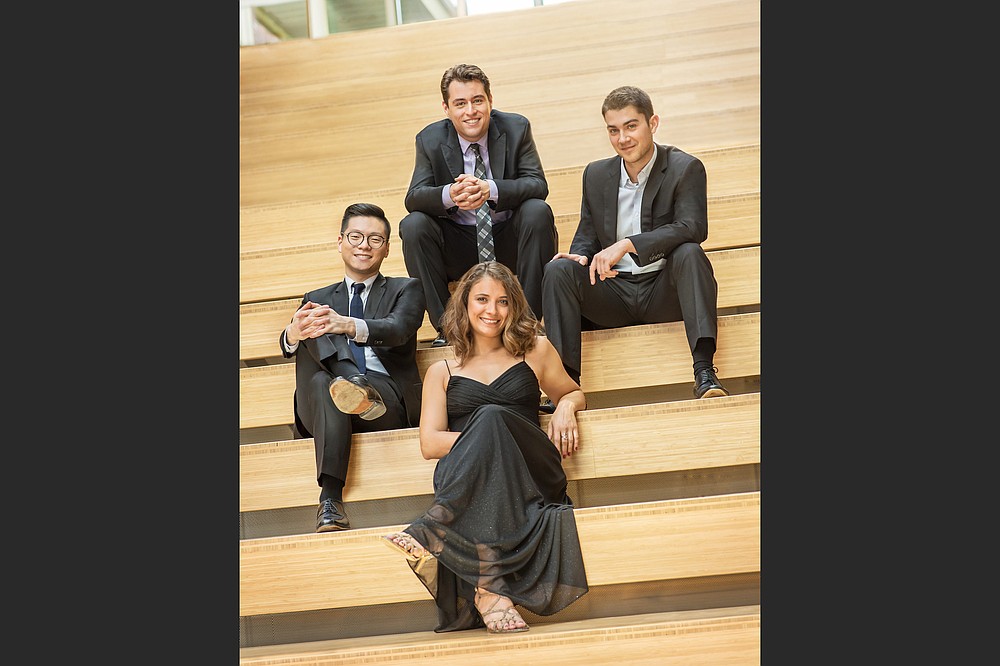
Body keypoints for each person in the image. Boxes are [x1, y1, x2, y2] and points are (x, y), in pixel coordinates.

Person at [380, 261, 589, 634]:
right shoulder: (442, 370)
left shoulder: (535, 349)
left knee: (492, 416)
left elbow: (572, 392)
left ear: (514, 307)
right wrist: (488, 445)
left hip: (531, 470)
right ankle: (490, 590)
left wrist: (566, 407)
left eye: (503, 301)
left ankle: (437, 524)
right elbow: (430, 443)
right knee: (489, 424)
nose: (492, 311)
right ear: (464, 305)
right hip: (472, 479)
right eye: (482, 299)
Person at [541, 85, 730, 402]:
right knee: (558, 269)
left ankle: (705, 372)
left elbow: (693, 226)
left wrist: (628, 244)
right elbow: (588, 233)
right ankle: (564, 385)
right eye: (613, 130)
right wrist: (579, 258)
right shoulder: (596, 174)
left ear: (652, 123)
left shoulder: (685, 168)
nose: (622, 138)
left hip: (663, 291)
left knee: (690, 253)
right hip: (613, 292)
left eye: (631, 126)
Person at [279, 203, 426, 532]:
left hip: (382, 402)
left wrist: (347, 324)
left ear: (387, 249)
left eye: (375, 239)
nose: (364, 245)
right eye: (356, 236)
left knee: (323, 371)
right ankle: (348, 381)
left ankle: (330, 500)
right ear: (340, 241)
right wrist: (292, 333)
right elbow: (293, 343)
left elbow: (398, 328)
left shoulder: (407, 289)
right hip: (322, 406)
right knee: (317, 362)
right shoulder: (316, 297)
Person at [399, 63, 557, 348]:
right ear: (446, 109)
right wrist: (450, 194)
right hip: (459, 244)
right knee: (413, 225)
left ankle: (528, 322)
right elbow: (414, 197)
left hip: (507, 238)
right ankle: (448, 328)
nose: (470, 111)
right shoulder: (430, 139)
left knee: (537, 211)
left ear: (490, 100)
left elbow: (537, 184)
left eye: (477, 100)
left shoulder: (516, 127)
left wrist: (491, 189)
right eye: (460, 103)